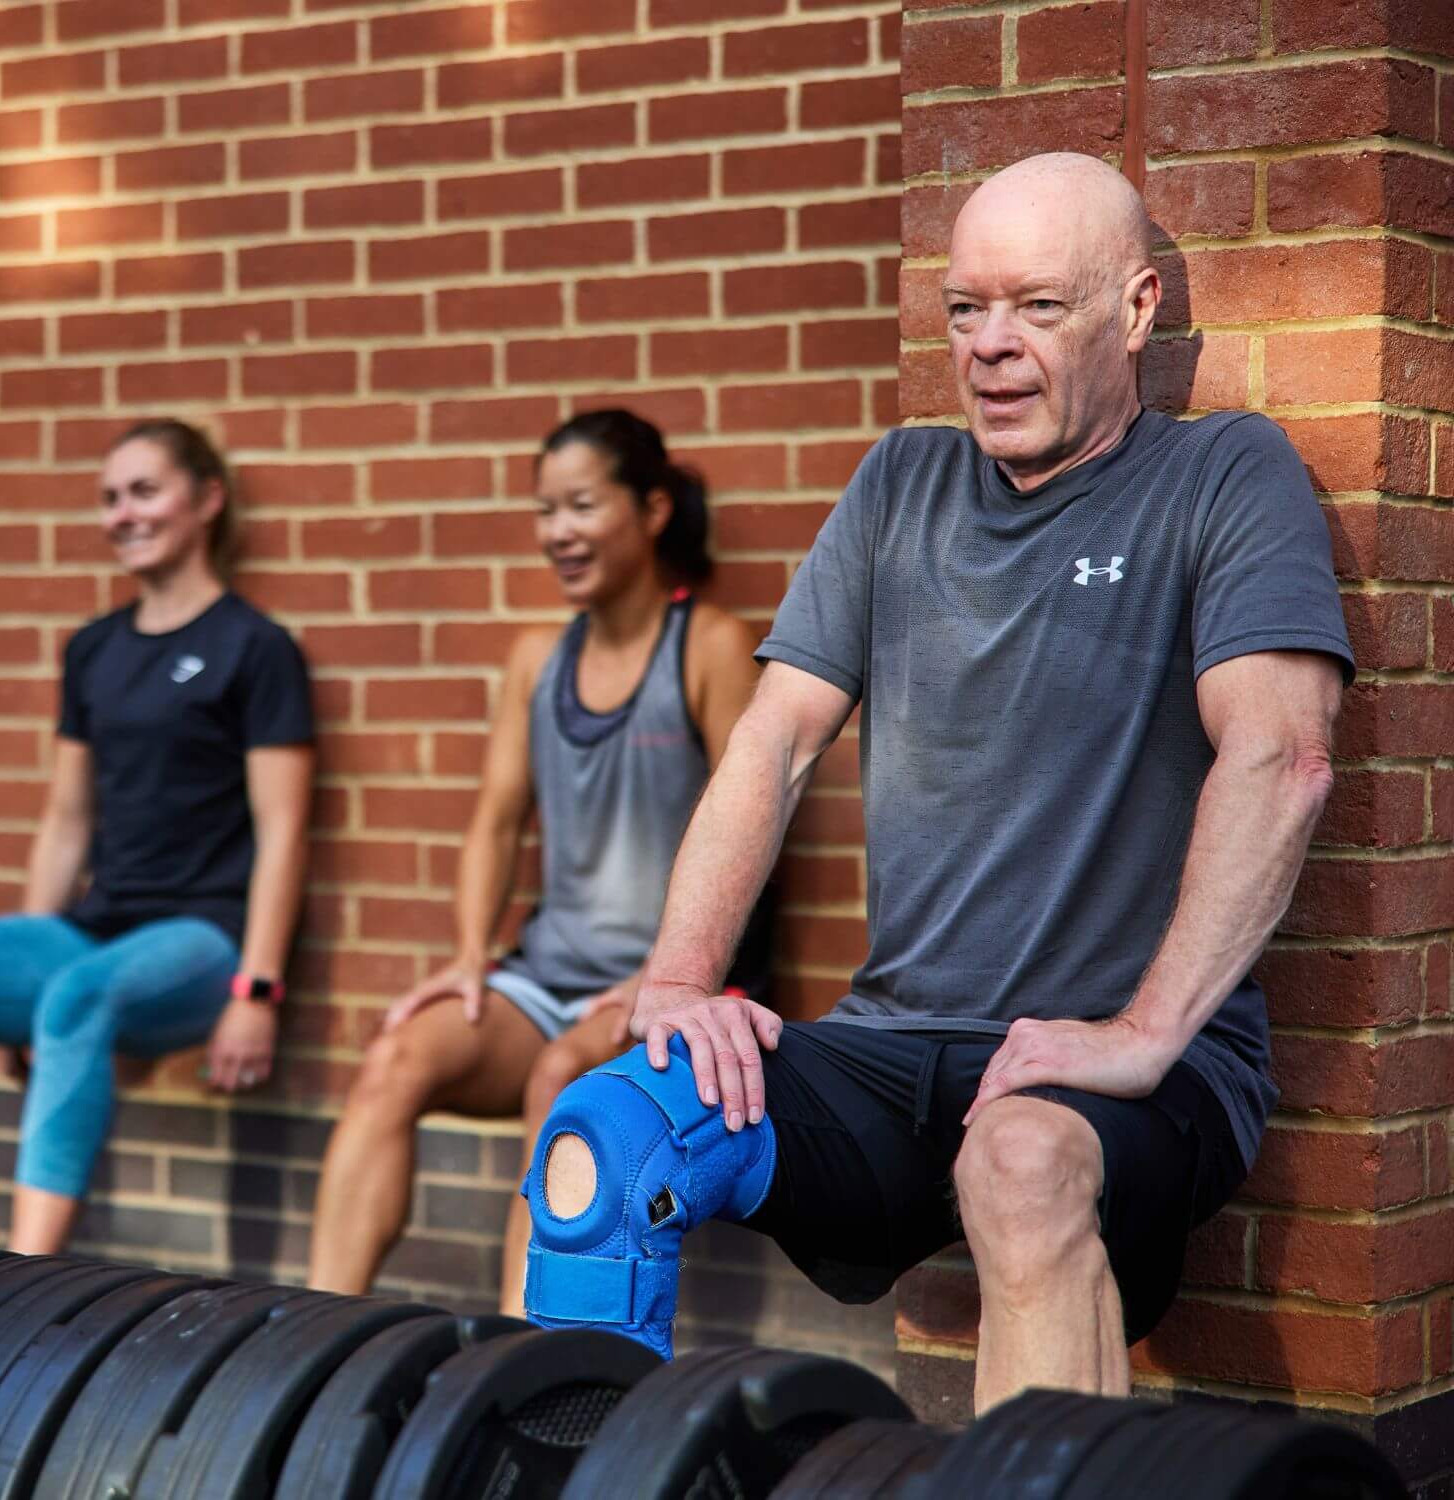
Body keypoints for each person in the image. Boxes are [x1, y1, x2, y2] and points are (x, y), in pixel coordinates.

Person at [521, 153, 1353, 1406]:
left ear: (1134, 313)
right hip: (890, 1050)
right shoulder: (898, 483)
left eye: (1035, 307)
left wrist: (1138, 1037)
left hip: (1126, 1072)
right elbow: (772, 741)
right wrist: (681, 982)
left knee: (1017, 1164)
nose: (989, 346)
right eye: (966, 309)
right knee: (605, 1135)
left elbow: (1279, 756)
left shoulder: (1221, 477)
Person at [307, 409, 768, 1313]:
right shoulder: (535, 659)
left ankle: (519, 1357)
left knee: (562, 1079)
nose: (557, 532)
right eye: (544, 511)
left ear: (653, 510)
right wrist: (472, 957)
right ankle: (312, 1337)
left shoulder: (709, 645)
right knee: (396, 1056)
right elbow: (493, 822)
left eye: (582, 506)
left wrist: (668, 975)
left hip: (675, 986)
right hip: (548, 974)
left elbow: (752, 829)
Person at [0, 419, 314, 1255]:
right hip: (95, 925)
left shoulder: (255, 649)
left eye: (144, 491)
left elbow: (285, 830)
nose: (122, 514)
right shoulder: (93, 650)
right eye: (109, 497)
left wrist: (257, 992)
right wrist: (27, 936)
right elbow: (66, 822)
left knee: (77, 997)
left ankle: (25, 1279)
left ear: (206, 500)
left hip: (203, 937)